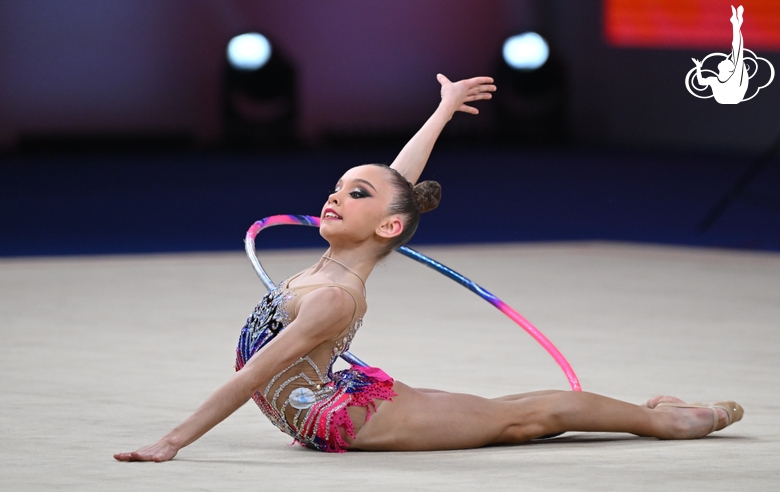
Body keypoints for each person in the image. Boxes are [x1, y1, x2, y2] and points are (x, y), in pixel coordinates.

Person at [114, 74, 743, 461]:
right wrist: (442, 110)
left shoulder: (333, 295)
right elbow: (399, 188)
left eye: (354, 195)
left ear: (387, 228)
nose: (335, 196)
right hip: (340, 403)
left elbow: (250, 376)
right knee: (499, 409)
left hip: (344, 420)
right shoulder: (331, 264)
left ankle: (670, 421)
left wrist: (172, 441)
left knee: (523, 418)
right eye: (336, 187)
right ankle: (653, 412)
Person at [692, 5, 748, 104]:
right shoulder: (715, 80)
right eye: (728, 61)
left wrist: (698, 68)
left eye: (727, 61)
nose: (725, 59)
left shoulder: (731, 78)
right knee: (737, 52)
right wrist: (698, 67)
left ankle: (736, 23)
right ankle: (736, 23)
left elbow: (737, 48)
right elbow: (701, 82)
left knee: (737, 51)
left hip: (732, 96)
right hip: (728, 97)